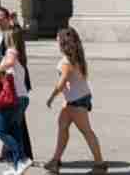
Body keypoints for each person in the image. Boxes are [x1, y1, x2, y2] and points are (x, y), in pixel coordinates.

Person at [43, 27, 107, 173]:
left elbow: (61, 83)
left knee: (86, 131)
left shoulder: (66, 62)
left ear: (63, 41)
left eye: (58, 37)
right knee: (63, 126)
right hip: (77, 99)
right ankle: (55, 161)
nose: (56, 39)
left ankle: (100, 164)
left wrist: (51, 97)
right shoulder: (77, 56)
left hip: (76, 101)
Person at [0, 7, 34, 165]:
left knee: (13, 121)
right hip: (8, 83)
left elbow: (11, 59)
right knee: (14, 120)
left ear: (8, 18)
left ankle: (21, 154)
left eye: (1, 18)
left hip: (15, 83)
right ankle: (12, 153)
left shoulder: (12, 34)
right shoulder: (2, 34)